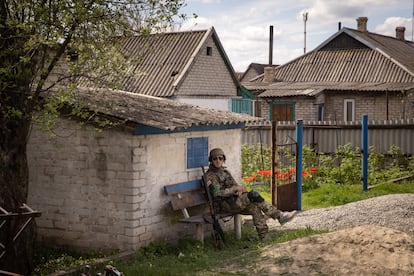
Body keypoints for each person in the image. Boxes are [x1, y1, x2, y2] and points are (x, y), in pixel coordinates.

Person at [204, 148, 297, 241]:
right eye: (215, 158)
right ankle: (279, 216)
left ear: (223, 159)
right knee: (253, 195)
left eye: (220, 158)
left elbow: (235, 185)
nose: (218, 161)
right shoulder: (210, 175)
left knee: (255, 207)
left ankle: (264, 236)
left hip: (235, 201)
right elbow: (217, 193)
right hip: (225, 205)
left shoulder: (225, 172)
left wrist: (239, 189)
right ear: (211, 160)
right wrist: (234, 189)